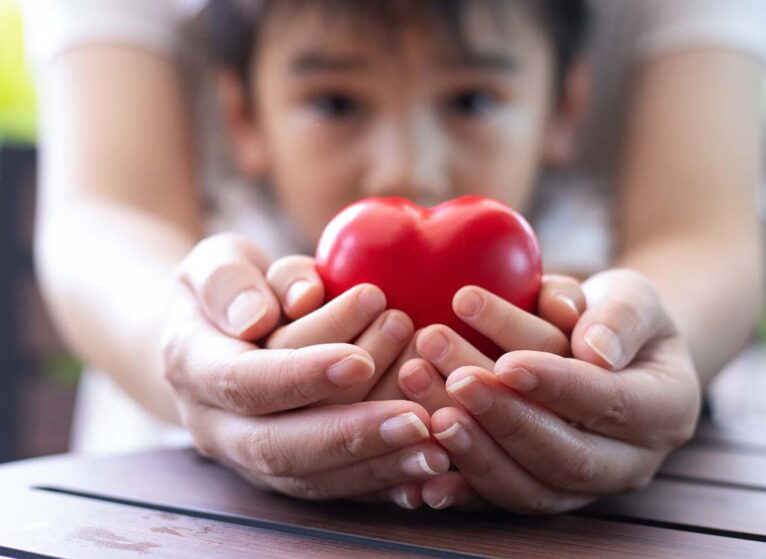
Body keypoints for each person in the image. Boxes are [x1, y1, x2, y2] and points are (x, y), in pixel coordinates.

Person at [25, 0, 765, 513]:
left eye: (472, 100)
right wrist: (195, 349)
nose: (407, 170)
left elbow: (703, 226)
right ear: (241, 115)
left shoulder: (577, 277)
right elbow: (104, 213)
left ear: (565, 109)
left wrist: (638, 358)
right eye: (336, 103)